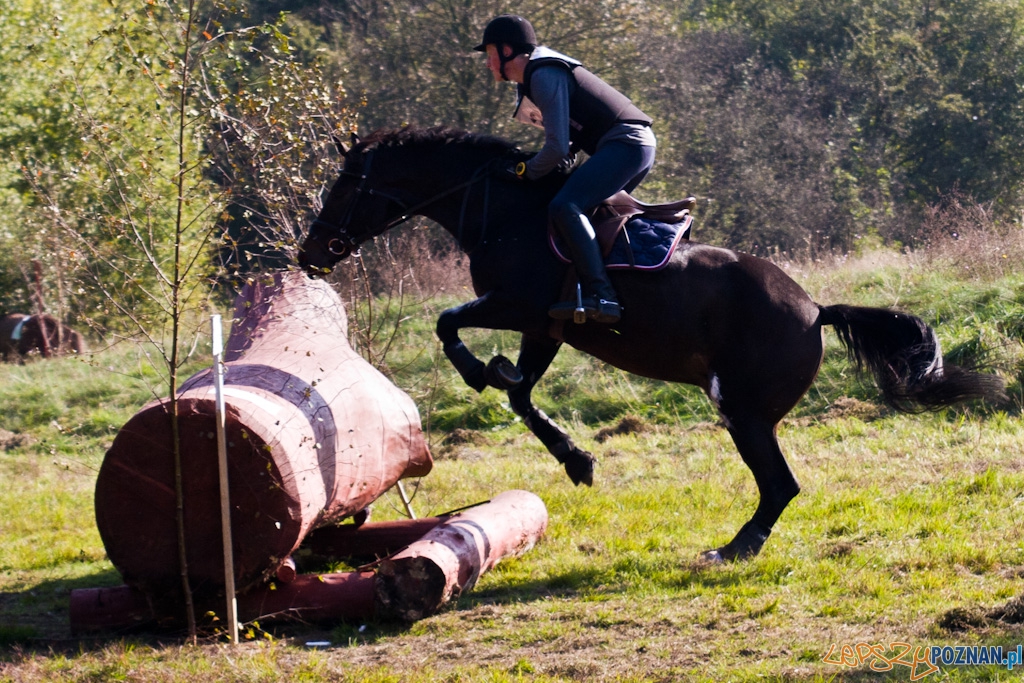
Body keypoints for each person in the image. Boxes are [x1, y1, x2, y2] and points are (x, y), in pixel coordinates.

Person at [474, 14, 656, 324]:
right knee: (570, 209)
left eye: (490, 54)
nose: (489, 64)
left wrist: (525, 172)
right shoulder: (539, 76)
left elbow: (557, 148)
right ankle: (582, 290)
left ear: (507, 51)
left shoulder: (543, 75)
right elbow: (566, 145)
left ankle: (605, 297)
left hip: (626, 145)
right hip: (629, 146)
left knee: (566, 205)